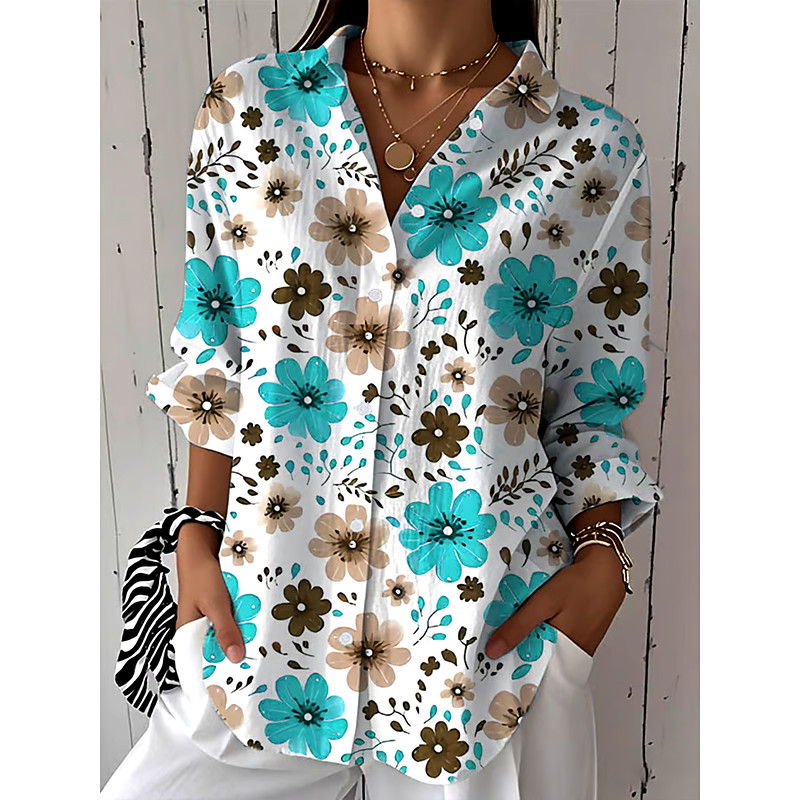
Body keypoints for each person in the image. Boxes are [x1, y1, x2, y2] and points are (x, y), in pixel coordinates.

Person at [102, 1, 663, 797]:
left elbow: (590, 403)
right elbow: (216, 354)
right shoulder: (250, 109)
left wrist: (603, 561)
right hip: (263, 633)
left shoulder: (591, 150)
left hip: (486, 659)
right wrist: (195, 531)